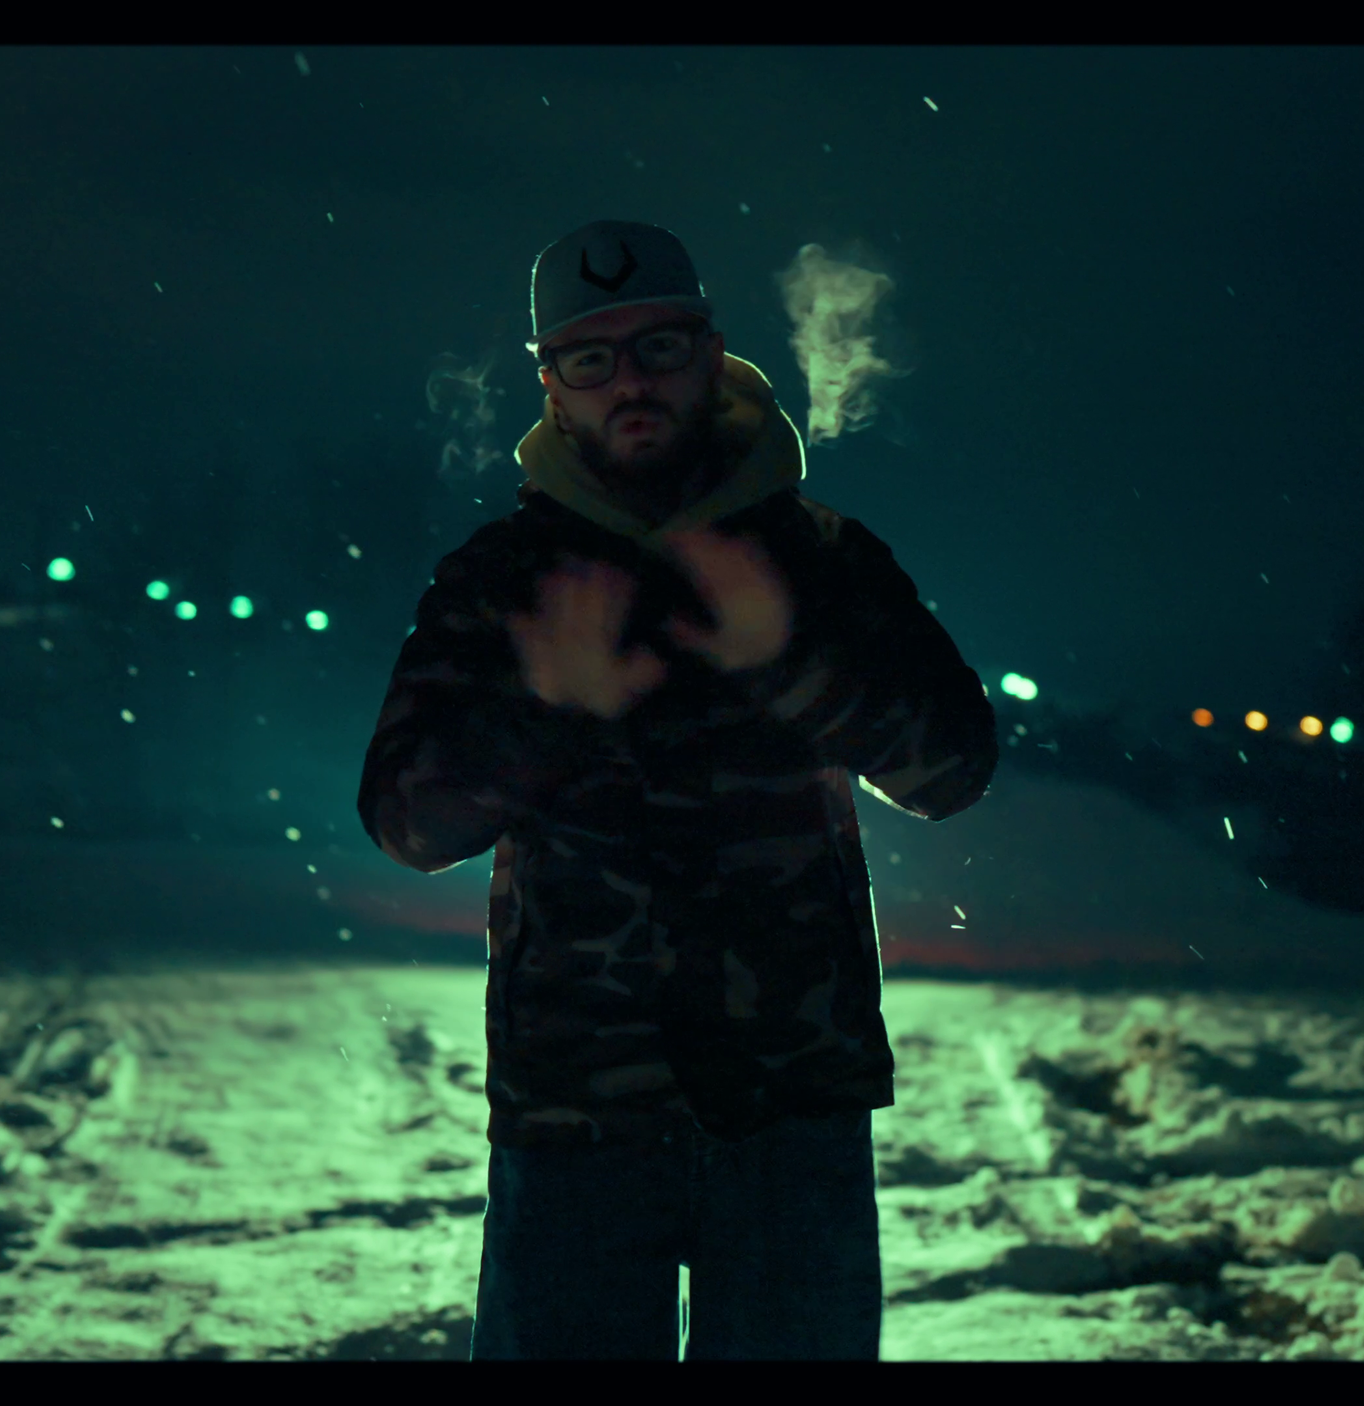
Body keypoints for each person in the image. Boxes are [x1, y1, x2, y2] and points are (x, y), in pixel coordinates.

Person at [358, 220, 997, 1360]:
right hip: (575, 1109)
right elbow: (406, 818)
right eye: (590, 360)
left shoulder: (822, 555)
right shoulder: (500, 578)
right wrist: (551, 706)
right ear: (551, 386)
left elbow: (951, 767)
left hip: (791, 1101)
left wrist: (791, 655)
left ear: (709, 353)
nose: (630, 384)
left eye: (655, 346)